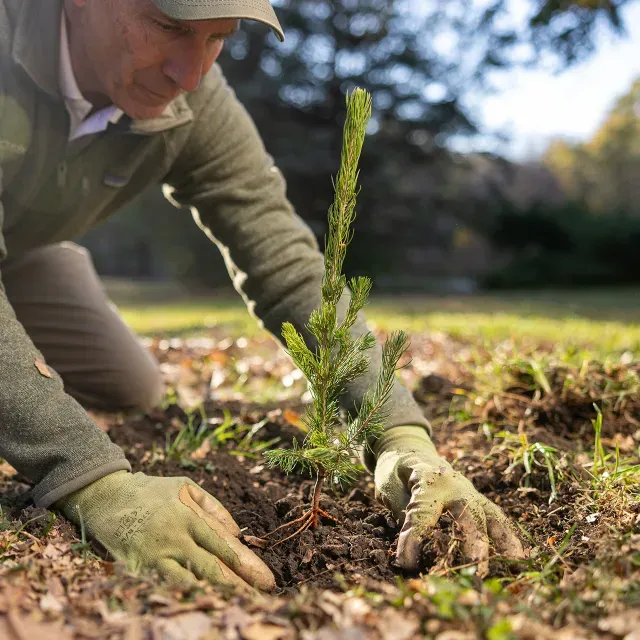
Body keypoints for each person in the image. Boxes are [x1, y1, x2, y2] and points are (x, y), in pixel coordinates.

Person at [0, 0, 526, 591]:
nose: (190, 73)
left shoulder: (195, 99)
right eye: (170, 27)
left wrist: (398, 433)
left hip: (26, 249)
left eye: (217, 38)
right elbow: (85, 473)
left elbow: (286, 264)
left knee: (132, 387)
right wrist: (91, 480)